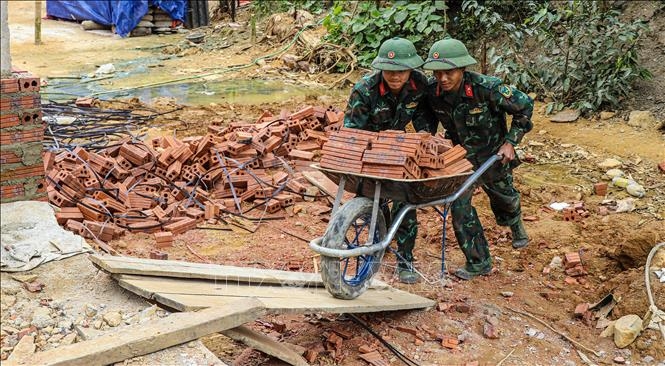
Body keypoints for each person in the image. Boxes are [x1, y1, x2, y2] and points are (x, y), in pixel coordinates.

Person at [421, 38, 534, 280]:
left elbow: (525, 107)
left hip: (493, 156)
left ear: (462, 69)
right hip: (460, 159)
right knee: (459, 205)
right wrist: (429, 136)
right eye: (437, 73)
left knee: (505, 199)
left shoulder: (487, 88)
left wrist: (510, 142)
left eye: (449, 72)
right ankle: (479, 262)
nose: (443, 79)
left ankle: (515, 225)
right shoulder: (433, 93)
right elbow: (425, 115)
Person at [343, 37, 430, 284]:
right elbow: (352, 134)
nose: (394, 76)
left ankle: (405, 260)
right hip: (369, 154)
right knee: (374, 206)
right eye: (389, 70)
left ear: (411, 69)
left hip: (399, 151)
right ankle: (374, 250)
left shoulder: (419, 84)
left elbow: (424, 115)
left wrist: (422, 142)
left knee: (406, 202)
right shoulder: (364, 90)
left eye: (400, 71)